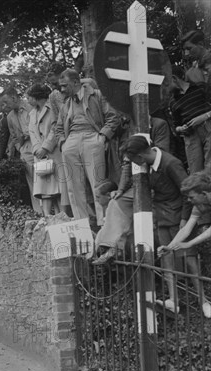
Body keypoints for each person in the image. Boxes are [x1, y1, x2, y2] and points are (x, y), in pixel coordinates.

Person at [124, 135, 191, 311]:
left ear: (139, 157)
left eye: (133, 160)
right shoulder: (150, 166)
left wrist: (185, 219)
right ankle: (173, 300)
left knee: (189, 258)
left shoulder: (170, 163)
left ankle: (204, 301)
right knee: (166, 260)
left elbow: (188, 191)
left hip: (178, 217)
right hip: (163, 218)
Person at [55, 68, 120, 228]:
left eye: (65, 85)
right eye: (61, 86)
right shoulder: (66, 103)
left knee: (98, 183)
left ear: (76, 82)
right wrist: (63, 142)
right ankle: (81, 225)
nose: (62, 89)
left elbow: (113, 117)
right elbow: (57, 127)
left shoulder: (96, 95)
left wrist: (103, 136)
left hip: (92, 137)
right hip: (71, 142)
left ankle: (103, 224)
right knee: (73, 186)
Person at [158, 170, 211, 318]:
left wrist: (189, 244)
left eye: (191, 197)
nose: (188, 200)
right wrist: (170, 246)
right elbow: (186, 229)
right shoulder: (198, 205)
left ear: (204, 194)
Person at [169, 65, 211, 173]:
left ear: (174, 78)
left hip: (208, 127)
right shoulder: (173, 102)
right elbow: (175, 126)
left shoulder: (200, 88)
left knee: (210, 168)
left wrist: (204, 116)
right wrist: (180, 129)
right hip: (190, 135)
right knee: (195, 171)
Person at [27, 83, 61, 216]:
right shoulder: (32, 113)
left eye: (29, 97)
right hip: (40, 156)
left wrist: (46, 147)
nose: (28, 100)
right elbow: (32, 133)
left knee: (57, 188)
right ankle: (46, 216)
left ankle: (61, 216)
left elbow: (56, 128)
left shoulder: (52, 108)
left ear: (35, 97)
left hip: (53, 152)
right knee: (43, 188)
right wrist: (37, 149)